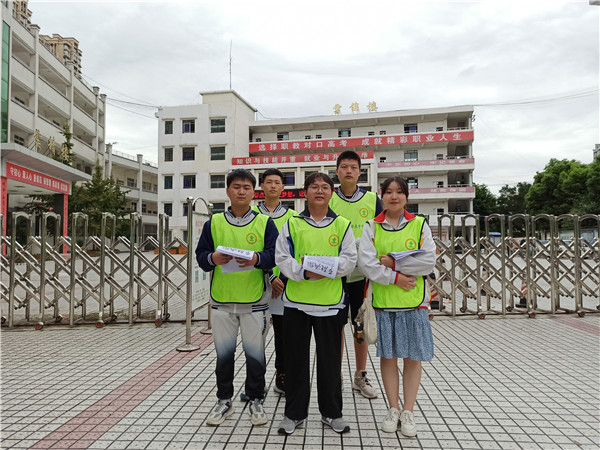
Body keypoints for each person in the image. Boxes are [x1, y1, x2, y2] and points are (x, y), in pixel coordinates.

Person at [275, 173, 357, 435]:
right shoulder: (292, 224)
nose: (319, 191)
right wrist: (304, 273)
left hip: (331, 304)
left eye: (324, 187)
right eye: (314, 187)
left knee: (330, 362)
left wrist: (326, 270)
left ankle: (332, 413)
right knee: (296, 361)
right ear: (305, 192)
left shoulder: (343, 225)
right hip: (296, 304)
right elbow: (282, 258)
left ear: (331, 193)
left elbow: (349, 260)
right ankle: (294, 413)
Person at [195, 169, 278, 427]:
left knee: (255, 356)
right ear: (228, 190)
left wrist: (255, 259)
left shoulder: (265, 222)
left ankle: (256, 400)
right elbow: (201, 256)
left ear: (254, 192)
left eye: (246, 187)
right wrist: (212, 259)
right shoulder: (214, 223)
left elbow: (275, 255)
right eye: (236, 186)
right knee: (224, 355)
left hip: (255, 302)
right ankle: (224, 400)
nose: (241, 191)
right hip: (221, 300)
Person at [357, 176, 436, 437]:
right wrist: (396, 278)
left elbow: (428, 262)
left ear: (406, 196)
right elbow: (367, 264)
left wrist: (393, 264)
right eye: (389, 192)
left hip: (414, 304)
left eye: (399, 192)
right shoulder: (371, 226)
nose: (394, 196)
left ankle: (408, 411)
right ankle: (393, 407)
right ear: (381, 196)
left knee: (413, 358)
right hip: (383, 303)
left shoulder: (419, 225)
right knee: (388, 357)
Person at [329, 150, 383, 399]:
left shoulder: (373, 199)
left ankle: (360, 375)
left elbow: (383, 233)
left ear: (360, 172)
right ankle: (336, 376)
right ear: (337, 171)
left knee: (360, 325)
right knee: (336, 325)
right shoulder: (328, 198)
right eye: (344, 167)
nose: (348, 171)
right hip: (336, 275)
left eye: (353, 167)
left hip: (363, 274)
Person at [252, 168, 297, 396]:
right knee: (255, 334)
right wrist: (269, 275)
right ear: (261, 186)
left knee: (282, 333)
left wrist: (282, 278)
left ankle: (282, 375)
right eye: (268, 182)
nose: (272, 186)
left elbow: (295, 252)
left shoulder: (292, 218)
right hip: (255, 282)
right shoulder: (251, 215)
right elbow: (250, 250)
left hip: (283, 285)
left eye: (277, 182)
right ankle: (255, 381)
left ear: (282, 188)